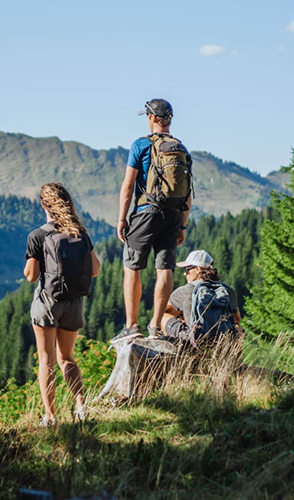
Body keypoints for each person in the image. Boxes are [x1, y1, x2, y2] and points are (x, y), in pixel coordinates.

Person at [24, 182, 102, 426]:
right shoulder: (80, 233)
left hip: (48, 303)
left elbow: (31, 276)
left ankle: (50, 416)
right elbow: (96, 270)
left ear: (44, 205)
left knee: (46, 361)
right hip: (74, 304)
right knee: (67, 358)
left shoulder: (38, 235)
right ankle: (80, 405)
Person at [116, 98, 192, 339]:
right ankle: (156, 326)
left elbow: (128, 185)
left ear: (151, 118)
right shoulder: (182, 149)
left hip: (145, 212)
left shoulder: (141, 145)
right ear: (168, 120)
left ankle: (131, 326)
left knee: (132, 266)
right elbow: (187, 192)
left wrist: (122, 218)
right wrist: (183, 224)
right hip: (172, 214)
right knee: (165, 268)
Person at [160, 249, 243, 346]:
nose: (185, 274)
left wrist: (183, 318)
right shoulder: (228, 290)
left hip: (195, 341)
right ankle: (234, 358)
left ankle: (171, 350)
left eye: (187, 269)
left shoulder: (185, 290)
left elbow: (165, 311)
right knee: (237, 327)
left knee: (162, 316)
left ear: (198, 269)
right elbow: (236, 319)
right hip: (222, 341)